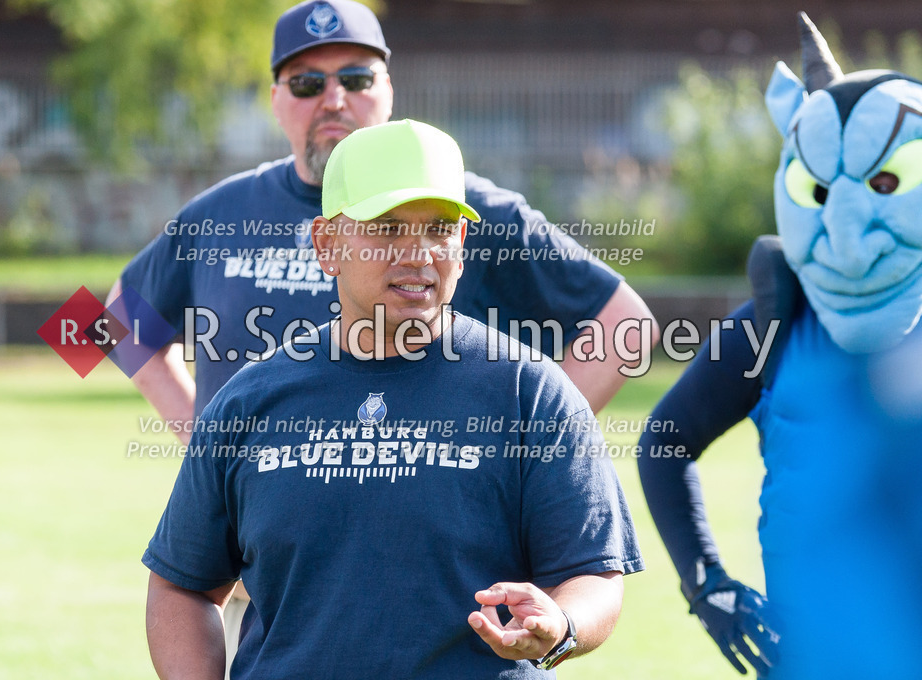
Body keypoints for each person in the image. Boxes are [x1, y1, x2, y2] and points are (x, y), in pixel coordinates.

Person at [142, 118, 643, 680]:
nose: (419, 252)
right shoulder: (249, 401)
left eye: (440, 227)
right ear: (326, 244)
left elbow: (594, 575)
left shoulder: (531, 393)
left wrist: (562, 624)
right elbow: (182, 585)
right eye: (386, 227)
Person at [109, 0, 659, 436]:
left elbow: (628, 326)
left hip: (427, 553)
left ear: (387, 91)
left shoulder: (458, 208)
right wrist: (200, 435)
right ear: (276, 99)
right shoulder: (221, 214)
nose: (334, 98)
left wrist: (524, 449)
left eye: (356, 78)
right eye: (307, 82)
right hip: (254, 558)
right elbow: (101, 323)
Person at [636, 13, 922, 679]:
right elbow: (666, 440)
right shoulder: (776, 324)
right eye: (820, 191)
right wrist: (707, 584)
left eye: (884, 185)